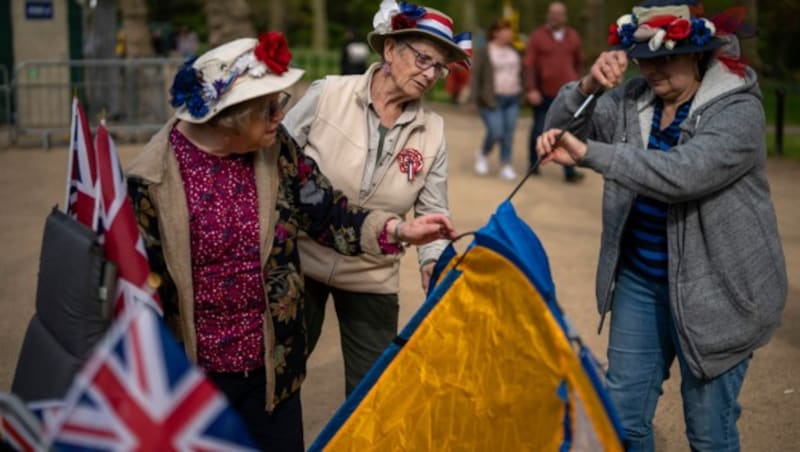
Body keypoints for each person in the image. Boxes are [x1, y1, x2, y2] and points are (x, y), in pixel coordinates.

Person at [125, 34, 456, 451]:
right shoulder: (151, 183)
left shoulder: (277, 150)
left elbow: (326, 212)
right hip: (196, 376)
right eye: (270, 107)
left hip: (271, 372)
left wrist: (398, 231)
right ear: (231, 114)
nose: (282, 115)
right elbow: (137, 294)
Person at [535, 1, 787, 450]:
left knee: (709, 435)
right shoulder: (633, 99)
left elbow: (683, 173)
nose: (651, 69)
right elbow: (557, 129)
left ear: (697, 53)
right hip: (640, 281)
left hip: (720, 293)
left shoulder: (738, 110)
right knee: (623, 422)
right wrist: (589, 84)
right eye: (643, 58)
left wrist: (594, 154)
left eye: (664, 56)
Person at [282, 1, 471, 396]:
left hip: (373, 273)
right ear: (389, 49)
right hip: (302, 259)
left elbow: (433, 209)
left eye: (439, 67)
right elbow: (276, 158)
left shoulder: (432, 130)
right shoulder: (328, 93)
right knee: (279, 376)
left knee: (375, 393)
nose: (431, 74)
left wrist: (433, 262)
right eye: (423, 59)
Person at [524, 1, 584, 182]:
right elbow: (529, 65)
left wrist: (579, 86)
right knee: (538, 130)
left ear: (565, 16)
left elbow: (579, 62)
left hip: (568, 95)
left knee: (568, 133)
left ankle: (569, 172)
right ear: (548, 15)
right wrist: (531, 89)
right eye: (552, 13)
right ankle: (533, 165)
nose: (555, 16)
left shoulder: (573, 36)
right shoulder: (537, 36)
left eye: (559, 13)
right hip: (543, 93)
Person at [471, 18, 523, 181]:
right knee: (496, 131)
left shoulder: (515, 50)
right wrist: (473, 99)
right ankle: (483, 154)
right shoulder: (485, 51)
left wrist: (525, 92)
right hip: (491, 100)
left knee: (508, 134)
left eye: (509, 31)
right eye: (504, 30)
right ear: (495, 33)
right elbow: (476, 76)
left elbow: (522, 72)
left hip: (512, 98)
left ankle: (506, 165)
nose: (508, 34)